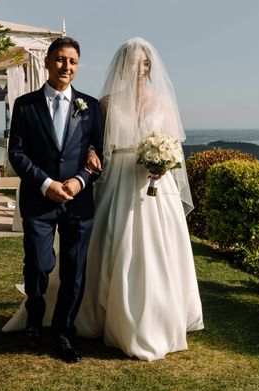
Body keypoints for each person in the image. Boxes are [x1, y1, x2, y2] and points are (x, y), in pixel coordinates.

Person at [75, 37, 204, 361]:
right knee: (112, 242)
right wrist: (91, 152)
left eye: (145, 63)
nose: (140, 68)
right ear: (122, 66)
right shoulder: (106, 103)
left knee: (155, 248)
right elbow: (92, 143)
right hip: (117, 177)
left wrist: (165, 164)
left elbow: (172, 145)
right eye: (133, 62)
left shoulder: (163, 102)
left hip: (152, 183)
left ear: (150, 67)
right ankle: (107, 315)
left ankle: (157, 318)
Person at [7, 36, 104, 363]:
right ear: (48, 63)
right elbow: (16, 153)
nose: (67, 67)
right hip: (39, 201)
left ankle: (63, 332)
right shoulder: (25, 105)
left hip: (78, 204)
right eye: (61, 60)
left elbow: (99, 154)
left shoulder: (90, 107)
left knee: (75, 270)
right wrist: (46, 184)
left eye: (73, 61)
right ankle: (35, 320)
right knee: (38, 265)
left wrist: (80, 181)